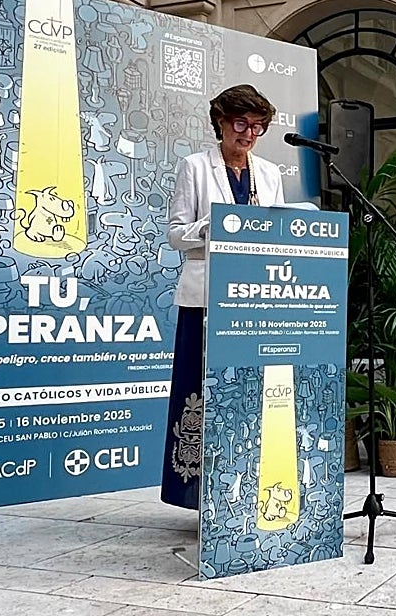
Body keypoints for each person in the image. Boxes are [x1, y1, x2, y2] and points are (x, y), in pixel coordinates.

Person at [161, 84, 285, 509]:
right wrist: (212, 225)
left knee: (248, 396)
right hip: (206, 298)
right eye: (241, 124)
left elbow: (277, 233)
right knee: (197, 394)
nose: (248, 134)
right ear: (220, 121)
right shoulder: (195, 167)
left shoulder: (269, 174)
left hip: (255, 300)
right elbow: (176, 235)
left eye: (258, 127)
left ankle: (245, 490)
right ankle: (193, 493)